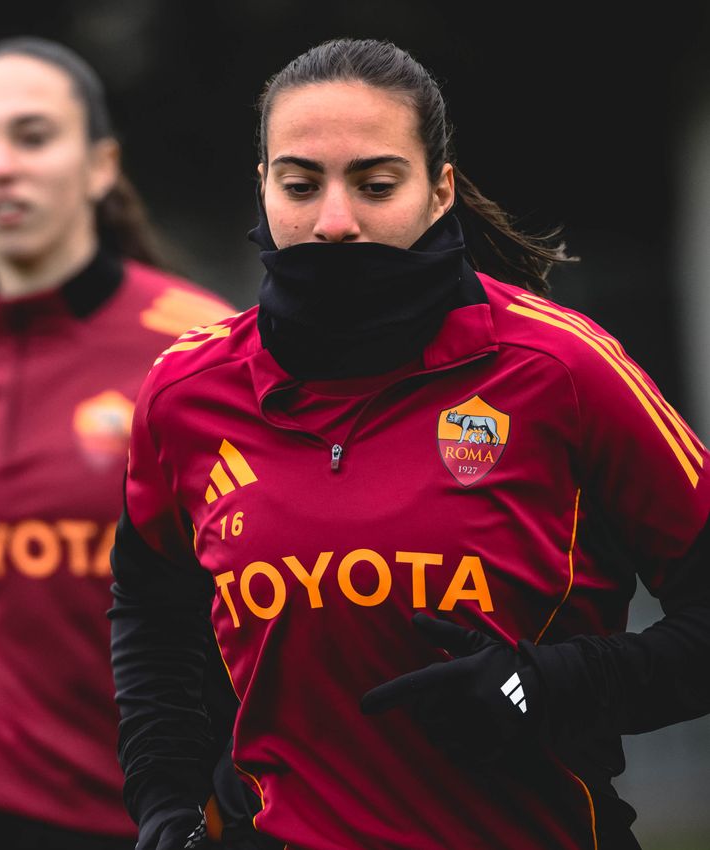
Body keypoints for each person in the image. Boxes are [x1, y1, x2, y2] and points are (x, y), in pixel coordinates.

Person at [110, 37, 710, 850]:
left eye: (375, 183)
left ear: (439, 193)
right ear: (263, 192)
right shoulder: (184, 392)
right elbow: (153, 620)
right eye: (299, 184)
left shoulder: (559, 367)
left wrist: (543, 685)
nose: (332, 220)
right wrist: (164, 803)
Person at [0, 37, 261, 850]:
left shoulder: (199, 345)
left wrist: (225, 794)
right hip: (4, 805)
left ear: (100, 165)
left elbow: (259, 571)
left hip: (172, 815)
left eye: (32, 135)